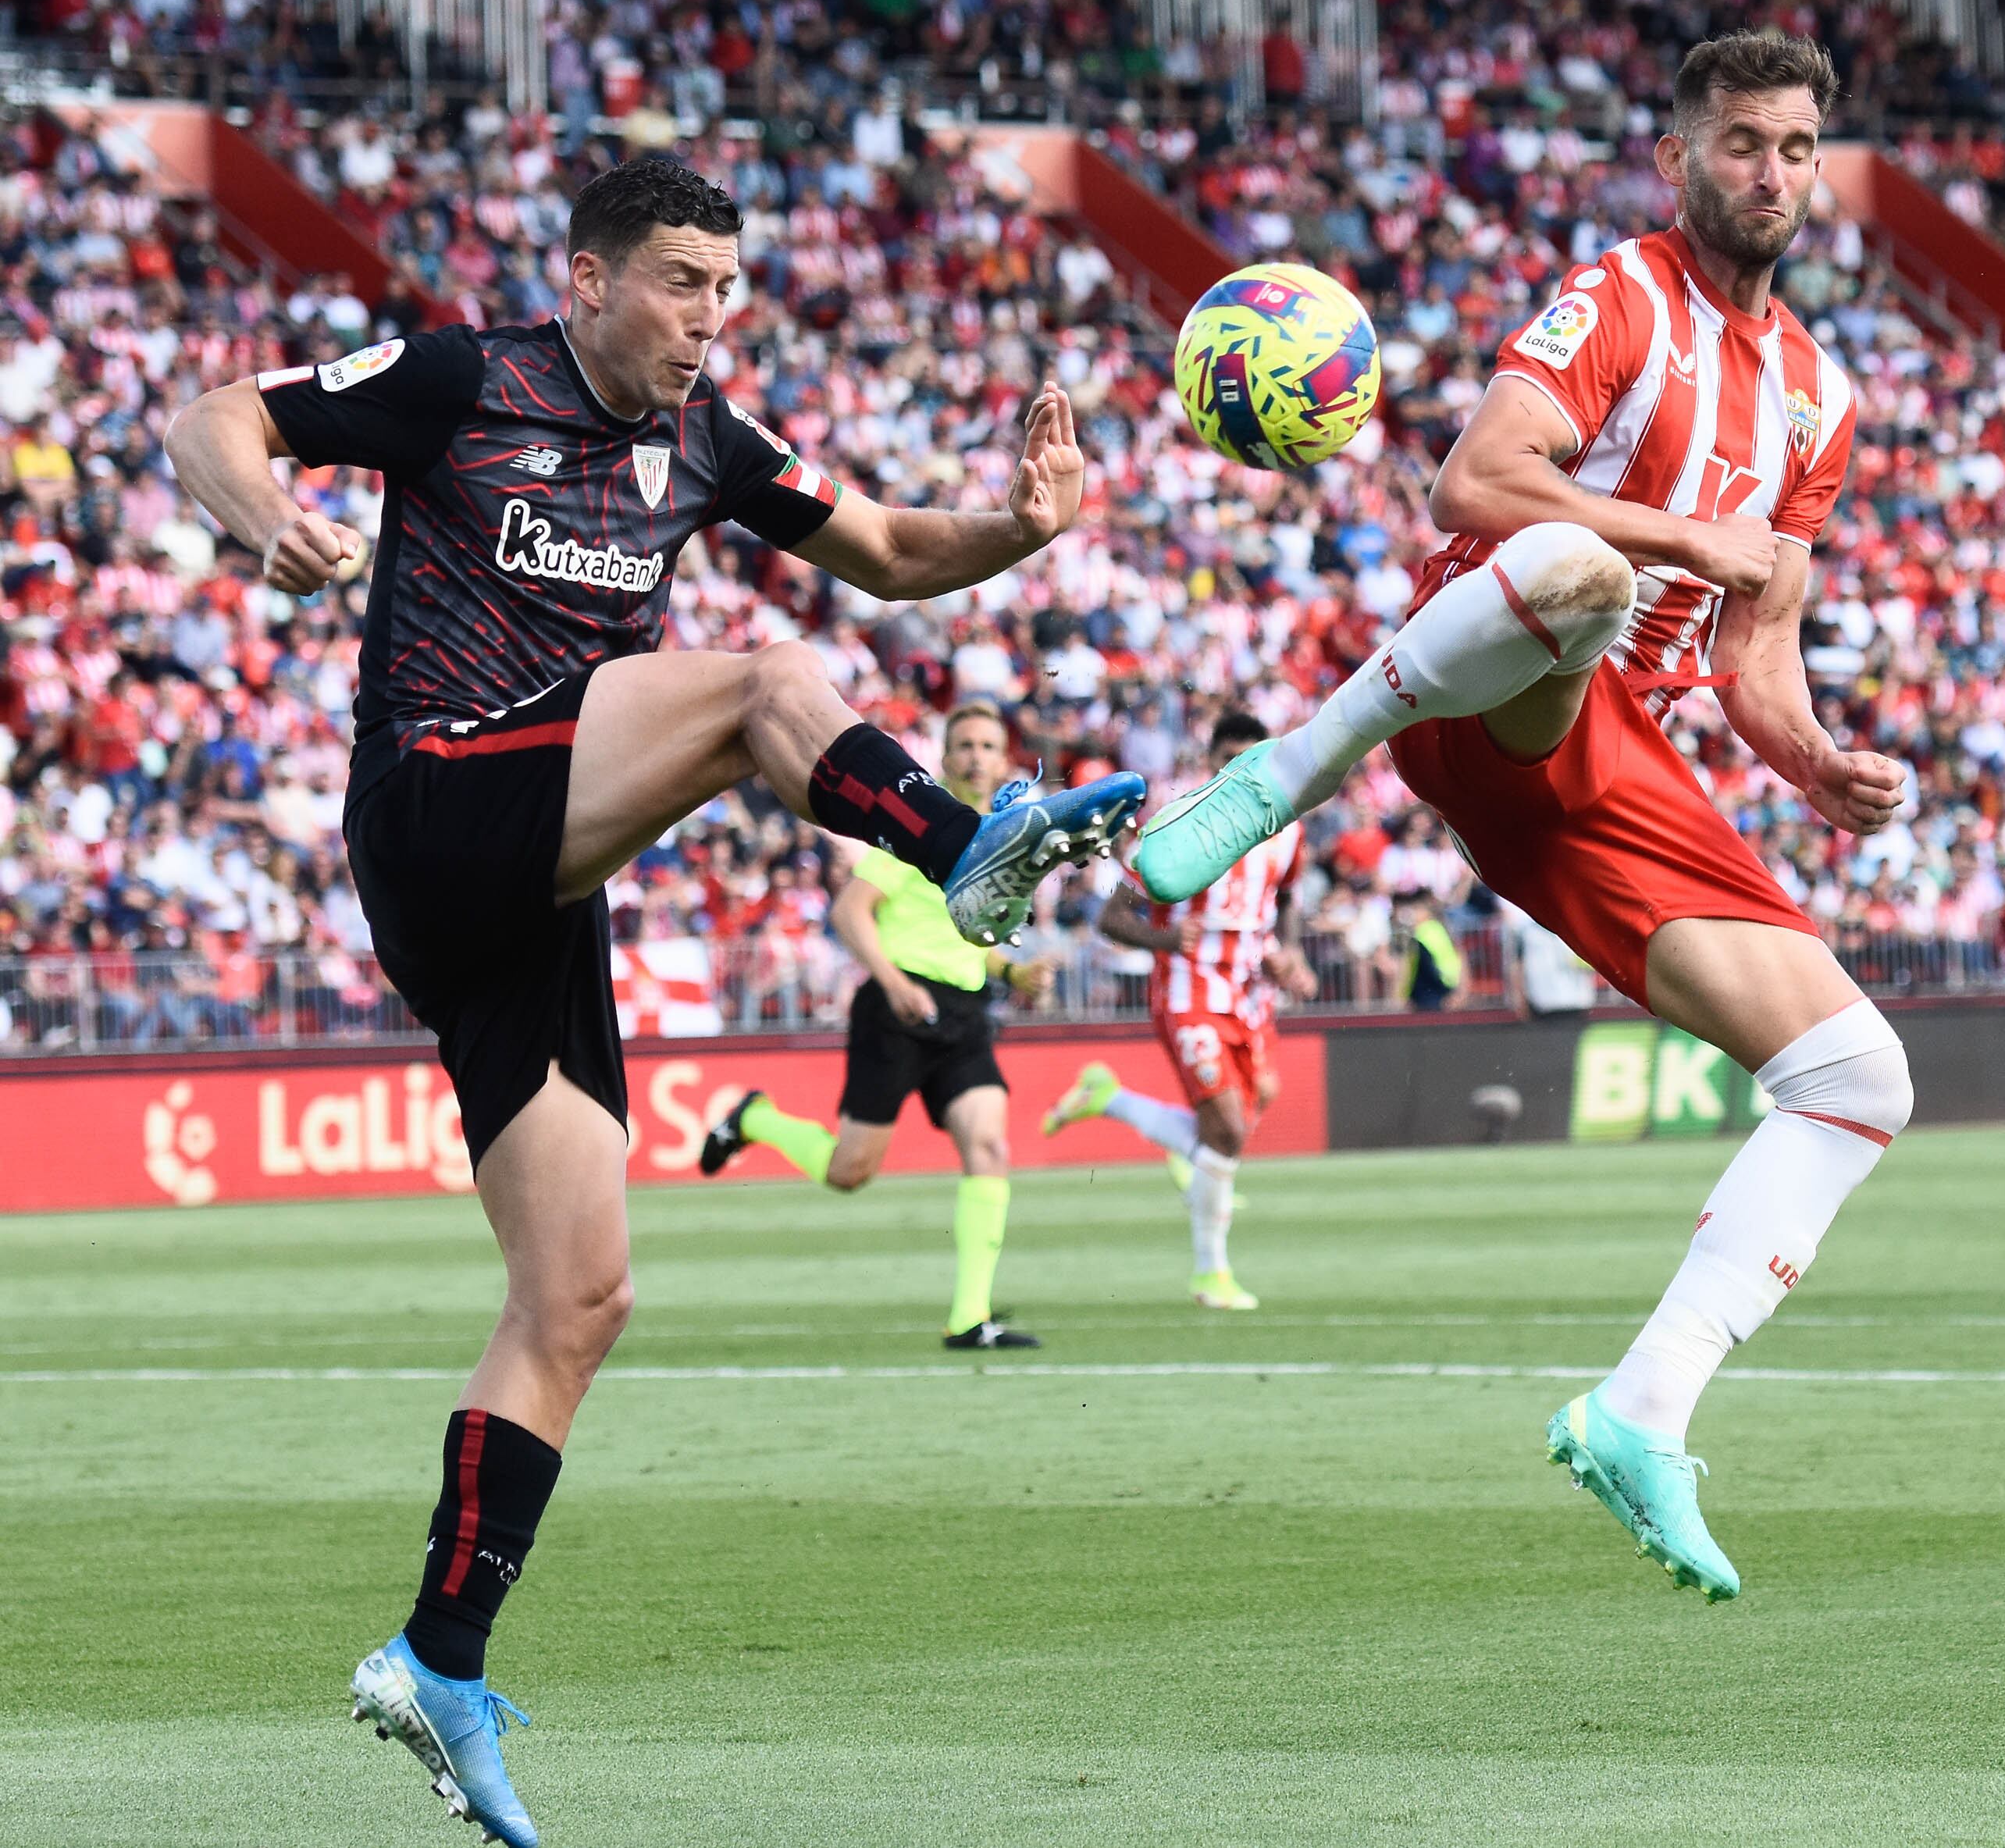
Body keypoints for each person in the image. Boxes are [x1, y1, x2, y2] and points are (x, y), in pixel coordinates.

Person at [162, 153, 1145, 1847]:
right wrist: (272, 517)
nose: (710, 318)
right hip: (435, 802)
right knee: (761, 680)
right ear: (591, 277)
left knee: (584, 1293)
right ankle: (967, 851)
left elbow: (895, 552)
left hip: (537, 887)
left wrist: (1021, 528)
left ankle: (437, 1656)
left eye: (727, 287)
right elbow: (209, 420)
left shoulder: (710, 440)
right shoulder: (471, 376)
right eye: (682, 281)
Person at [1133, 31, 1914, 1602]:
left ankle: (1641, 1410)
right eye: (1739, 141)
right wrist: (1682, 528)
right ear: (1678, 157)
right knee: (1584, 572)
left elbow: (1754, 646)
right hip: (1486, 675)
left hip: (1617, 765)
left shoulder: (1820, 399)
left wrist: (1814, 761)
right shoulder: (1618, 297)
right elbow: (1476, 480)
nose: (1769, 171)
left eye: (1792, 145)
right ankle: (1287, 768)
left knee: (1855, 1076)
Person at [696, 700, 1054, 1348]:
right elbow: (851, 912)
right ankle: (754, 1117)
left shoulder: (1002, 837)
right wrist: (893, 983)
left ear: (1005, 761)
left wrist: (1010, 974)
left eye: (987, 745)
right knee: (848, 1172)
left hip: (964, 1013)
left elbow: (964, 934)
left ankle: (969, 1319)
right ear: (945, 760)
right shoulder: (924, 830)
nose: (976, 755)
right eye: (964, 744)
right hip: (896, 1009)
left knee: (991, 1147)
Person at [1043, 710, 1314, 1312]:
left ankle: (1107, 1097)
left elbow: (1285, 896)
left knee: (1248, 1106)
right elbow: (1114, 918)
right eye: (1228, 760)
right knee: (1228, 1129)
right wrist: (1169, 939)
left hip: (1248, 995)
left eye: (1251, 760)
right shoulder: (1173, 829)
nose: (1240, 772)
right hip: (1189, 991)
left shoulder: (1287, 829)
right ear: (1213, 761)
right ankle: (1210, 1272)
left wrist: (1285, 952)